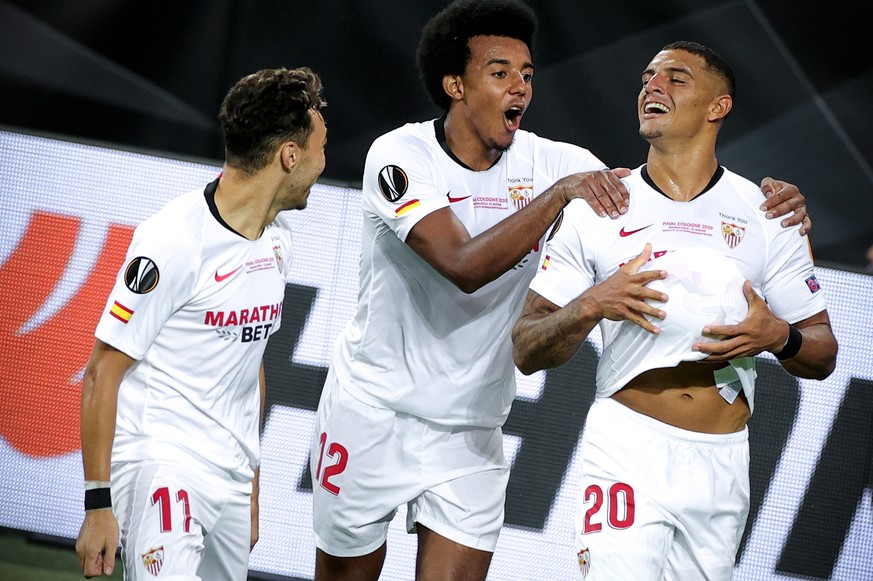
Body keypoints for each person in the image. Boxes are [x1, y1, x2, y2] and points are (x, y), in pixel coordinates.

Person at [310, 1, 811, 579]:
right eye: (499, 73)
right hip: (373, 412)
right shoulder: (400, 155)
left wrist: (773, 210)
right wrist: (558, 195)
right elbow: (461, 265)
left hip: (473, 430)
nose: (519, 87)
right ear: (455, 84)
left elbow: (663, 197)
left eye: (526, 74)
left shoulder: (556, 162)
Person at [511, 41, 838, 580]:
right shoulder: (601, 205)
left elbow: (822, 352)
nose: (651, 87)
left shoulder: (767, 212)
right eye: (646, 78)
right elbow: (526, 346)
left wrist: (778, 336)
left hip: (723, 461)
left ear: (718, 106)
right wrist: (595, 302)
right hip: (627, 447)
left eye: (675, 78)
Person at [74, 67, 328, 580]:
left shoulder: (279, 241)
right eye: (321, 147)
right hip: (163, 463)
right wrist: (97, 504)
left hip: (231, 478)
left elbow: (249, 362)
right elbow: (102, 371)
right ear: (289, 155)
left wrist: (251, 484)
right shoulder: (172, 242)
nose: (326, 162)